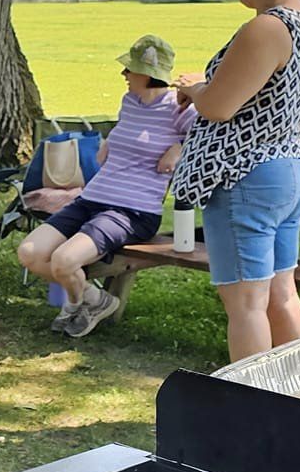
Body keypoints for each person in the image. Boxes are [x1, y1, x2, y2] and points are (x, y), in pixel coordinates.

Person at [170, 0, 300, 362]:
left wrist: (194, 88)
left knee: (245, 304)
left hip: (248, 175)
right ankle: (295, 391)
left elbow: (219, 106)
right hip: (293, 167)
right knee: (281, 292)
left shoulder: (265, 28)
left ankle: (252, 404)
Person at [18, 34, 195, 338]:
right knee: (30, 252)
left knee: (64, 260)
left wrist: (179, 146)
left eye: (130, 69)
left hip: (133, 211)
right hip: (92, 198)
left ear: (148, 74)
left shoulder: (179, 110)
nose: (124, 75)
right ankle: (93, 299)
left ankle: (76, 304)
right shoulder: (130, 102)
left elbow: (209, 139)